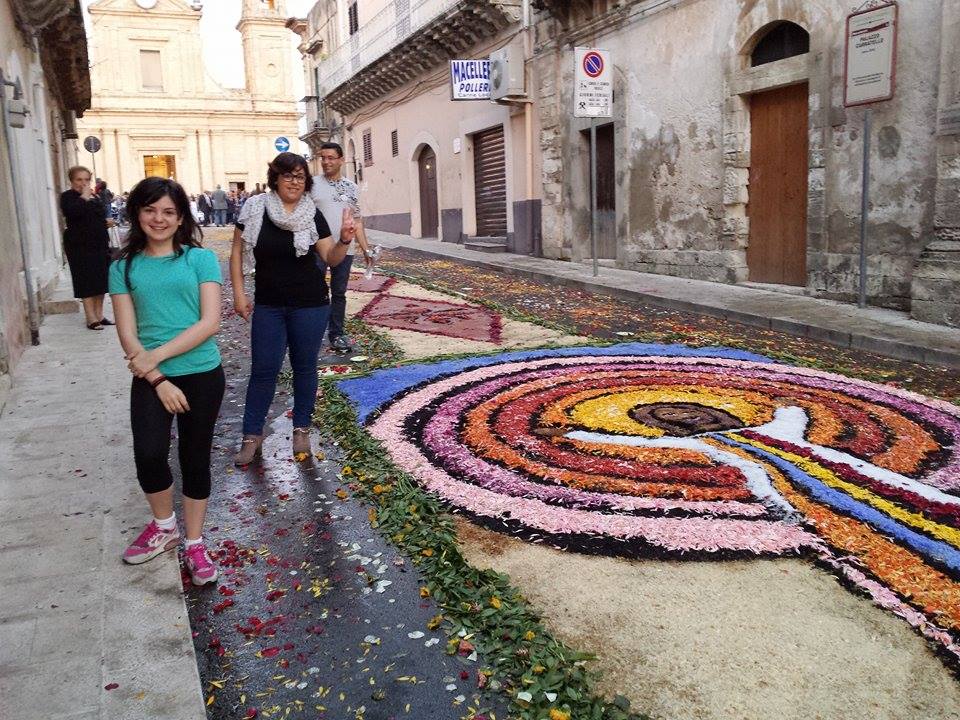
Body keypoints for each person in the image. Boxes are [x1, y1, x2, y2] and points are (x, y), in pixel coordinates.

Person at [109, 176, 224, 585]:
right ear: (137, 213)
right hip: (151, 379)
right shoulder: (122, 267)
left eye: (168, 212)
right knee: (150, 453)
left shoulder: (199, 260)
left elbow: (210, 322)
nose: (158, 219)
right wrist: (158, 378)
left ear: (181, 219)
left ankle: (194, 542)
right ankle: (164, 526)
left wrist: (154, 356)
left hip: (202, 374)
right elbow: (127, 333)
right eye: (150, 209)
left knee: (195, 458)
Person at [230, 152, 355, 464]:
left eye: (300, 176)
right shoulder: (255, 208)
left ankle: (301, 429)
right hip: (270, 304)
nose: (294, 181)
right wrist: (238, 294)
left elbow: (330, 258)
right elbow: (236, 252)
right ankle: (252, 435)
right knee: (263, 369)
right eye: (288, 175)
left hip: (310, 305)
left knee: (304, 368)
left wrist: (343, 241)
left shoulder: (312, 214)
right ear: (275, 178)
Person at [310, 142, 371, 352]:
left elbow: (358, 221)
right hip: (317, 249)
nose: (326, 162)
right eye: (323, 158)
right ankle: (311, 333)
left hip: (346, 249)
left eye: (330, 158)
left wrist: (366, 249)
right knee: (314, 292)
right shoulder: (312, 184)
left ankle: (336, 334)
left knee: (339, 293)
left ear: (341, 160)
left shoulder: (351, 188)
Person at [60, 166, 113, 330]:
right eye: (79, 180)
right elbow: (72, 213)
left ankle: (99, 314)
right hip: (79, 245)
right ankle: (91, 318)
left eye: (86, 180)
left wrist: (106, 223)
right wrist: (83, 197)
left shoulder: (94, 197)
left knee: (101, 280)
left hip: (99, 244)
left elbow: (96, 217)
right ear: (72, 181)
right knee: (86, 281)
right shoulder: (68, 197)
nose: (83, 183)